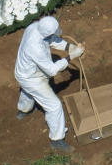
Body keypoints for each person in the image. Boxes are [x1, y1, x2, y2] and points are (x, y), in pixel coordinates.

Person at [15, 16, 85, 152]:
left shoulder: (34, 27)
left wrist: (69, 47)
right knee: (54, 106)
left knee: (28, 91)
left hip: (25, 71)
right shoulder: (34, 46)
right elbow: (52, 70)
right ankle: (56, 139)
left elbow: (51, 40)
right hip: (31, 78)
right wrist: (71, 56)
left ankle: (23, 110)